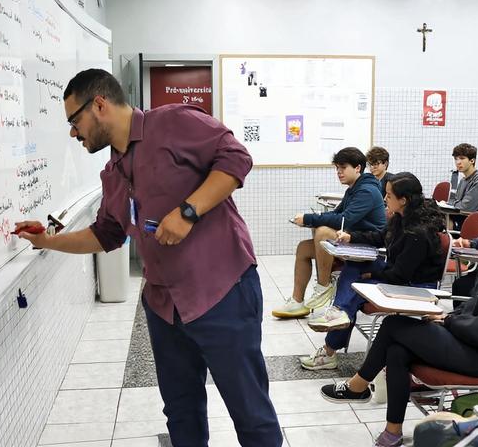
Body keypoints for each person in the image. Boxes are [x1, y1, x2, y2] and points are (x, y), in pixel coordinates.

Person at [14, 69, 282, 447]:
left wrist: (188, 211)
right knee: (181, 411)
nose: (73, 133)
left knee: (250, 412)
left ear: (100, 105)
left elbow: (237, 158)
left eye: (74, 121)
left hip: (222, 292)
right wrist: (47, 241)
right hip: (164, 307)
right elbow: (105, 235)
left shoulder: (173, 122)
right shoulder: (113, 173)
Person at [319, 185, 478, 447]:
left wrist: (453, 322)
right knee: (397, 350)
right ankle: (393, 431)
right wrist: (447, 319)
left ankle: (358, 385)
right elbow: (475, 305)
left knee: (394, 324)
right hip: (471, 340)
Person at [301, 173, 445, 370]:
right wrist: (351, 237)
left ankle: (330, 346)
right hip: (397, 272)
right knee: (354, 265)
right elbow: (380, 237)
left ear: (403, 200)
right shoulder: (400, 218)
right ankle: (339, 313)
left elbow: (400, 276)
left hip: (413, 285)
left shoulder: (418, 233)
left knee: (356, 288)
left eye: (389, 195)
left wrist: (372, 276)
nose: (385, 199)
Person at [272, 147, 386, 318]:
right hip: (352, 241)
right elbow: (336, 214)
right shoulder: (354, 189)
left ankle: (323, 286)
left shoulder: (367, 191)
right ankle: (297, 302)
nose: (339, 172)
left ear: (357, 168)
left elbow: (343, 220)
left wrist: (310, 218)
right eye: (337, 168)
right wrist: (310, 220)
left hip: (368, 246)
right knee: (303, 249)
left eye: (343, 167)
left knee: (323, 232)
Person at [447, 143, 478, 213]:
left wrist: (452, 203)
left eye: (462, 158)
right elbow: (457, 202)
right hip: (458, 216)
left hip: (470, 218)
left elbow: (465, 208)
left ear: (472, 161)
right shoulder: (463, 180)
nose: (458, 162)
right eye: (456, 159)